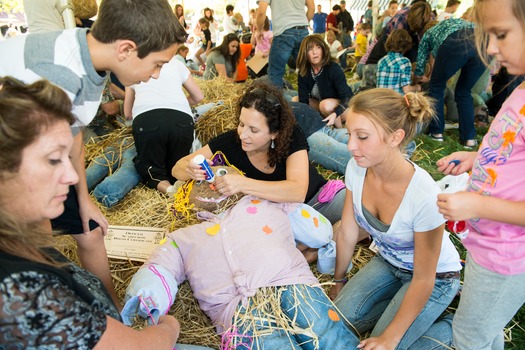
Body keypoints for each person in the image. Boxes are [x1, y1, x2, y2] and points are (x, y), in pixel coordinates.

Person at [0, 0, 187, 309]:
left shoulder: (88, 56)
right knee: (36, 243)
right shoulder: (60, 77)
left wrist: (84, 199)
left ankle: (112, 310)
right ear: (126, 49)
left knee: (89, 230)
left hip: (37, 153)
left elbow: (73, 133)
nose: (156, 75)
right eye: (157, 64)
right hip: (17, 163)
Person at [0, 77, 180, 349]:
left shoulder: (19, 241)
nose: (72, 176)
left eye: (66, 158)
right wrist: (169, 326)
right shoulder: (25, 293)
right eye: (52, 159)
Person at [122, 190, 362, 349]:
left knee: (327, 333)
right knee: (271, 345)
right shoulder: (183, 237)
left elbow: (318, 232)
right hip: (238, 311)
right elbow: (160, 266)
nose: (210, 182)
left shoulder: (262, 201)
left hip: (290, 282)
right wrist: (146, 295)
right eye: (197, 182)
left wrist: (292, 208)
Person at [331, 88, 462, 349]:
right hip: (389, 262)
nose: (350, 146)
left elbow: (424, 278)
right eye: (349, 135)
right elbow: (347, 230)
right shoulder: (356, 167)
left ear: (395, 137)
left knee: (387, 344)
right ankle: (401, 314)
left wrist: (390, 338)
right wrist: (339, 280)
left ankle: (454, 331)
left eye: (362, 137)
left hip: (434, 278)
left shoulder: (424, 195)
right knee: (334, 321)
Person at [435, 0, 525, 348]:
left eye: (500, 34)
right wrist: (478, 158)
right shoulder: (519, 88)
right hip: (489, 244)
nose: (489, 48)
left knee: (470, 335)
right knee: (482, 330)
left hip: (507, 256)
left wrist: (477, 205)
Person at [172, 82, 346, 226]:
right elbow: (177, 169)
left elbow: (297, 192)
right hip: (279, 219)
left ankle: (317, 248)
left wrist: (243, 184)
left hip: (318, 202)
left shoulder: (291, 135)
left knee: (360, 213)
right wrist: (190, 169)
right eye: (241, 124)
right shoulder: (231, 141)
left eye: (253, 130)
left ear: (274, 133)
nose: (243, 135)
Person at [124, 55, 204, 195]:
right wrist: (177, 104)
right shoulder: (176, 63)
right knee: (178, 166)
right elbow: (199, 97)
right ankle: (180, 189)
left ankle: (170, 191)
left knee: (151, 169)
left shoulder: (133, 64)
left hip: (147, 120)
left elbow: (127, 113)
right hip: (181, 119)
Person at [414, 18, 485, 146]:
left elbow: (420, 67)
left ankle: (436, 133)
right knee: (464, 91)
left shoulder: (428, 34)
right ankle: (469, 139)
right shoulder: (454, 23)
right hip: (483, 43)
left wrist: (417, 80)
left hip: (456, 41)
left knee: (436, 86)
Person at [294, 34, 353, 128]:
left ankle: (339, 130)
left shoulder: (333, 68)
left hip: (343, 109)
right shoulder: (304, 71)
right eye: (310, 49)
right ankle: (319, 125)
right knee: (295, 100)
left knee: (325, 105)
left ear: (323, 50)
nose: (314, 52)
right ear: (305, 53)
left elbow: (347, 97)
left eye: (318, 48)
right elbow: (303, 100)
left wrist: (335, 113)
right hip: (322, 107)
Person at [255, 0, 315, 89]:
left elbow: (261, 13)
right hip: (302, 31)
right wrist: (302, 23)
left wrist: (259, 30)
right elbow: (312, 8)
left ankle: (278, 101)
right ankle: (311, 99)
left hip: (283, 31)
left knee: (275, 72)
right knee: (307, 68)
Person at [377, 29, 421, 94]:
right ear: (406, 45)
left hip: (381, 99)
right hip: (396, 101)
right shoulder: (404, 61)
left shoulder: (381, 61)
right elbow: (406, 90)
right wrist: (417, 87)